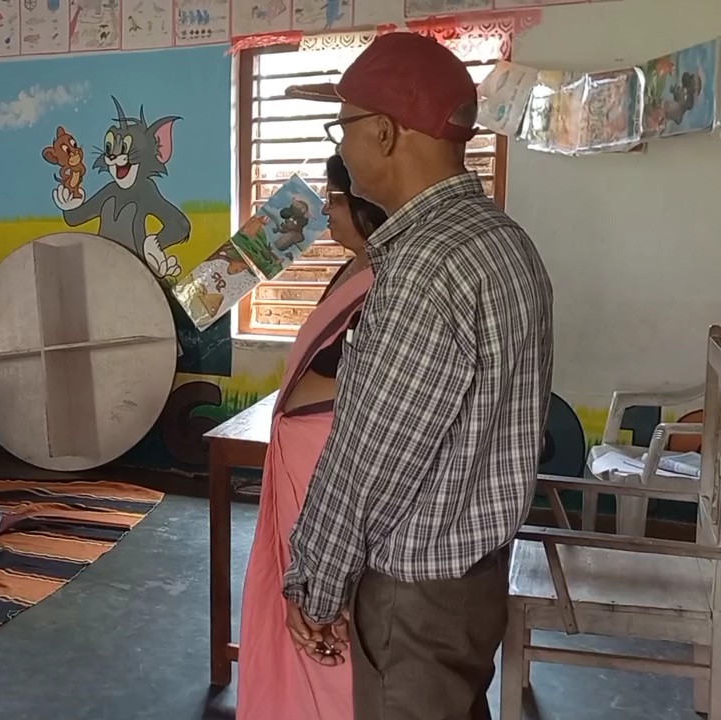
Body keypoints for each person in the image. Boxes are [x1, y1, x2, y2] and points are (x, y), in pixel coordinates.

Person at [281, 33, 554, 720]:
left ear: (384, 132)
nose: (340, 148)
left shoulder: (422, 267)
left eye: (341, 128)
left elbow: (369, 460)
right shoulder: (502, 238)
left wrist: (314, 584)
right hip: (474, 576)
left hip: (416, 594)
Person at [237, 154, 386, 720]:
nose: (326, 210)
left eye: (339, 200)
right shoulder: (352, 267)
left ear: (369, 204)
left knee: (327, 618)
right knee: (286, 609)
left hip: (328, 469)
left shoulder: (390, 282)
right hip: (300, 463)